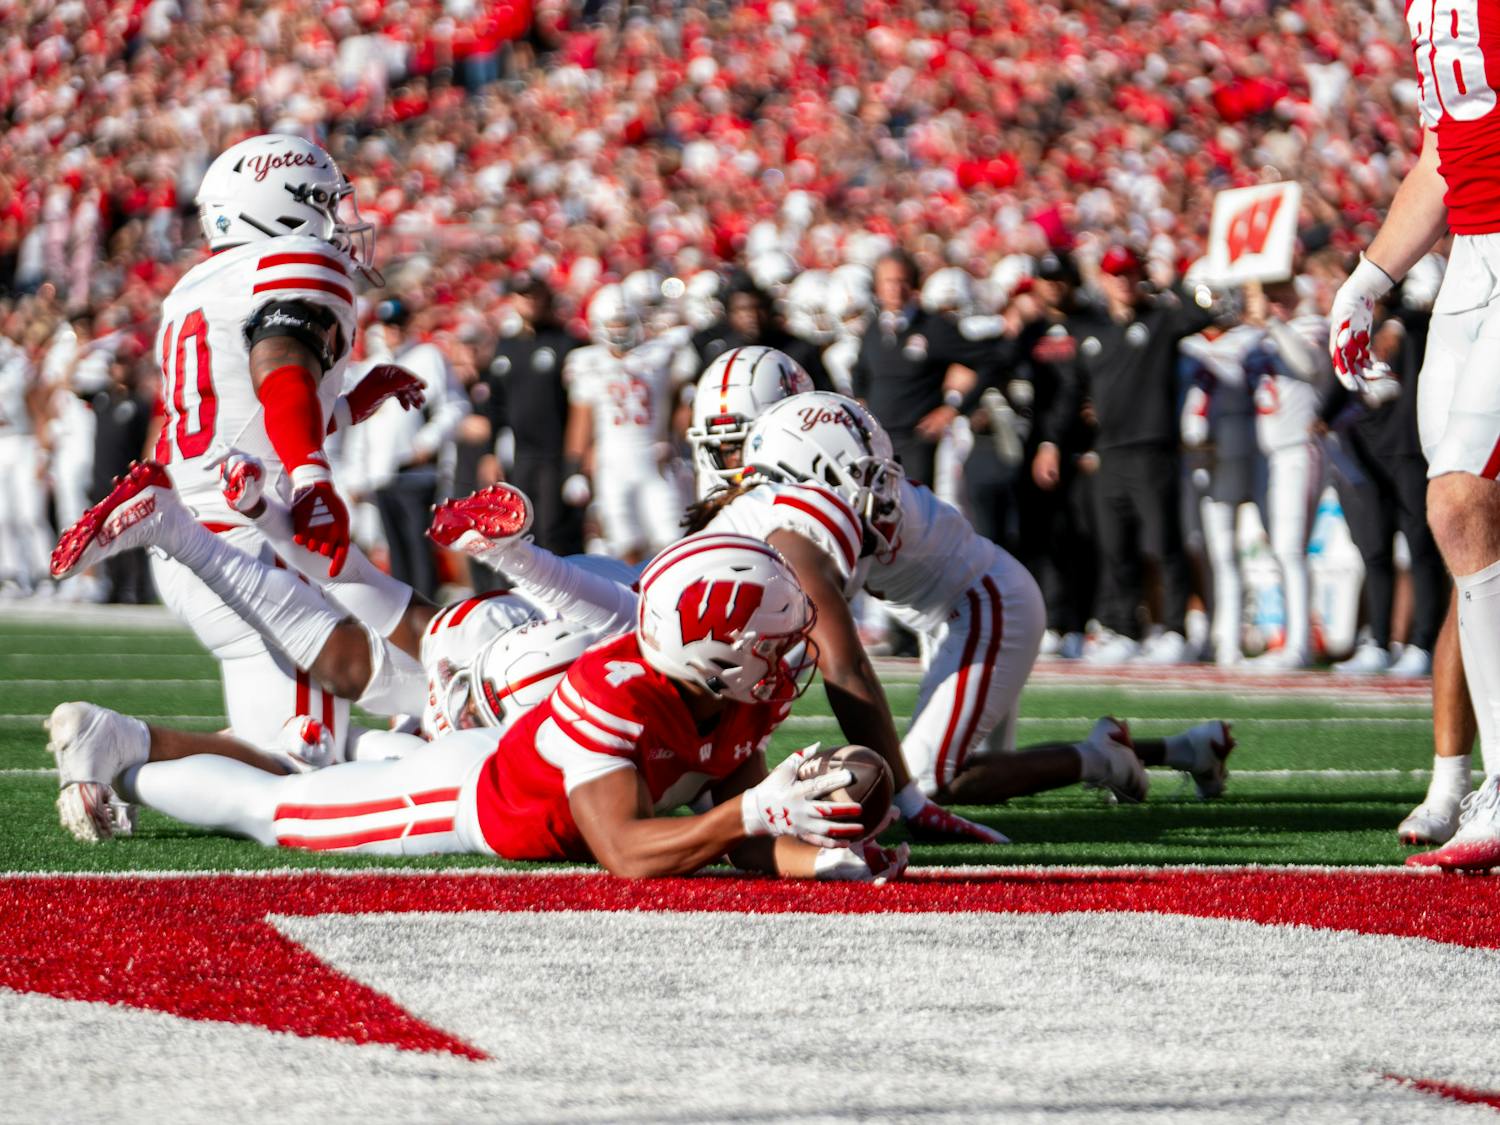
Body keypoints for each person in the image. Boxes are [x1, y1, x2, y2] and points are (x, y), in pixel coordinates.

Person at [45, 533, 908, 884]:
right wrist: (754, 810)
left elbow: (742, 839)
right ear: (712, 652)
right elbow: (627, 853)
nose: (793, 660)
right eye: (773, 643)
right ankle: (127, 753)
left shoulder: (726, 692)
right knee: (274, 812)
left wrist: (821, 857)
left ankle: (377, 754)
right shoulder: (621, 689)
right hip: (468, 801)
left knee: (318, 782)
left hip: (521, 763)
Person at [740, 392, 1233, 807]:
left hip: (985, 606)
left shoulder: (833, 508)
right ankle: (1184, 749)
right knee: (963, 771)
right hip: (954, 612)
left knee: (925, 782)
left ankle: (1102, 758)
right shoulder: (838, 496)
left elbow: (831, 650)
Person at [131, 133, 434, 760]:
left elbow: (246, 415)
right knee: (433, 689)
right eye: (322, 200)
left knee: (283, 754)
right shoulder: (293, 259)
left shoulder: (194, 287)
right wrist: (312, 479)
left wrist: (347, 405)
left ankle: (120, 748)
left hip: (198, 524)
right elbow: (281, 370)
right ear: (277, 204)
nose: (338, 218)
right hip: (259, 527)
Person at [1327, 47, 1499, 869]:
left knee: (1462, 499)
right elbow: (1447, 147)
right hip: (1470, 257)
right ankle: (1460, 777)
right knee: (1462, 521)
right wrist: (1368, 279)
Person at [1078, 246, 1215, 665]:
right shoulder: (1093, 330)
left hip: (1152, 448)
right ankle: (1123, 627)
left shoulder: (1159, 320)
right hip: (1109, 452)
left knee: (1163, 542)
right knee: (1115, 546)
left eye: (1129, 273)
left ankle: (1174, 628)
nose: (1122, 281)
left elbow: (1202, 313)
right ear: (1102, 279)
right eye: (1115, 274)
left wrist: (1164, 281)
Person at [564, 283, 691, 564]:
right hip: (612, 464)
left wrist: (678, 443)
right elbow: (581, 420)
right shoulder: (588, 362)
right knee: (625, 545)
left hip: (655, 459)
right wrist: (574, 470)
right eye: (613, 324)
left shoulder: (659, 355)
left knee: (672, 540)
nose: (620, 331)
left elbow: (680, 403)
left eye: (625, 323)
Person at [849, 251, 990, 486]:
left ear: (913, 284)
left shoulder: (934, 327)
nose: (896, 288)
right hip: (878, 442)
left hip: (917, 444)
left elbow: (989, 362)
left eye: (902, 281)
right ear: (877, 287)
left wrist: (953, 409)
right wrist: (861, 403)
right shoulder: (873, 328)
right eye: (889, 282)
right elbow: (860, 371)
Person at [481, 274, 584, 556]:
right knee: (522, 529)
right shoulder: (506, 346)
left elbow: (580, 405)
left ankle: (565, 595)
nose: (528, 302)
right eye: (521, 295)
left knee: (554, 529)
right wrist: (490, 452)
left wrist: (579, 455)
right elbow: (496, 404)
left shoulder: (565, 342)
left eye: (533, 295)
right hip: (521, 453)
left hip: (556, 452)